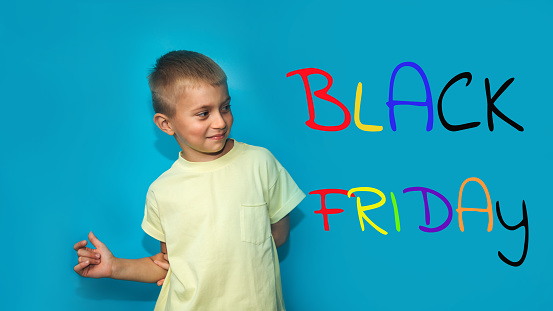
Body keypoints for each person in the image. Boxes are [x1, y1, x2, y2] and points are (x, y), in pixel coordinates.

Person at [73, 50, 306, 310]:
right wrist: (114, 266)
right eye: (203, 113)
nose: (220, 121)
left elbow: (278, 235)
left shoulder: (260, 163)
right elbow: (167, 264)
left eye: (225, 107)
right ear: (166, 124)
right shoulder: (162, 191)